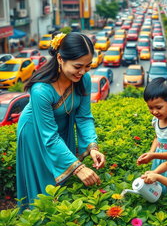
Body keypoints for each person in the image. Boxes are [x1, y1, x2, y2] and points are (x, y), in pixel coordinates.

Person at [16, 32, 106, 211]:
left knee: (63, 181)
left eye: (88, 66)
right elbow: (49, 137)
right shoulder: (41, 89)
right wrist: (79, 168)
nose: (82, 72)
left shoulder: (83, 79)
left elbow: (84, 116)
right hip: (35, 133)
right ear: (60, 58)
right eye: (78, 66)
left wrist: (92, 146)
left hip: (61, 126)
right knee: (45, 184)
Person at [137, 78, 167, 195]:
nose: (154, 112)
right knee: (157, 187)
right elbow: (157, 138)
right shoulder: (157, 119)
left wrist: (153, 155)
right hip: (158, 160)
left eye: (158, 107)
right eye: (150, 108)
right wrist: (150, 152)